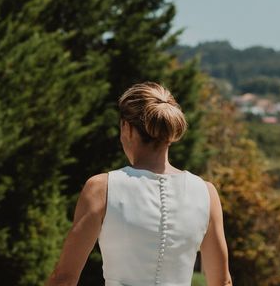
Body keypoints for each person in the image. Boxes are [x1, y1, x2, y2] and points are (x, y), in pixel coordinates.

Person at [46, 82, 232, 286]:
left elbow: (64, 278)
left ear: (127, 128)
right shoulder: (206, 193)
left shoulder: (102, 188)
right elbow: (221, 282)